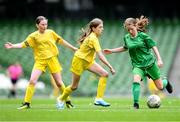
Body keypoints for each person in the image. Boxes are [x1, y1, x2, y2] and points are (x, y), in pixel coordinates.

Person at [4, 16, 78, 109]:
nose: (44, 26)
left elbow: (61, 41)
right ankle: (26, 103)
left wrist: (73, 48)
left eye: (46, 24)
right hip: (40, 61)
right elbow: (23, 44)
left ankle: (68, 101)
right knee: (32, 81)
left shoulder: (51, 32)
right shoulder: (33, 36)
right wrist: (13, 46)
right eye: (42, 24)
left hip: (52, 59)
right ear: (37, 25)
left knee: (59, 83)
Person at [103, 16, 173, 109]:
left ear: (136, 25)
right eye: (128, 30)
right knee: (136, 80)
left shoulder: (143, 36)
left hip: (150, 64)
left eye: (131, 29)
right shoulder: (126, 37)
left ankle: (166, 82)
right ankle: (136, 104)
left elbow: (154, 46)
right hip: (138, 66)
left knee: (160, 87)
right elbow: (125, 47)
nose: (130, 31)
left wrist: (159, 59)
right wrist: (112, 51)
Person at [56, 18, 115, 109]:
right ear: (93, 28)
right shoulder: (93, 38)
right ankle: (60, 99)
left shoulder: (94, 37)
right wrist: (110, 66)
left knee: (104, 74)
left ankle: (98, 99)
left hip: (88, 61)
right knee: (74, 86)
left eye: (102, 27)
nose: (102, 29)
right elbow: (100, 55)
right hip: (79, 61)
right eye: (100, 27)